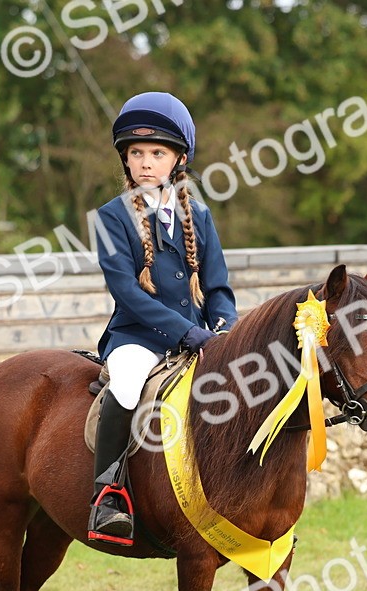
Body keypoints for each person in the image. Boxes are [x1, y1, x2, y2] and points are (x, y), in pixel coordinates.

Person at [87, 92, 238, 544]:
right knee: (129, 382)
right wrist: (187, 332)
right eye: (136, 154)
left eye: (157, 153)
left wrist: (225, 329)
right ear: (126, 161)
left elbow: (218, 289)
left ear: (179, 159)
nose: (146, 163)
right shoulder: (111, 219)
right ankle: (108, 494)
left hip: (197, 337)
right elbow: (128, 294)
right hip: (136, 338)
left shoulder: (200, 216)